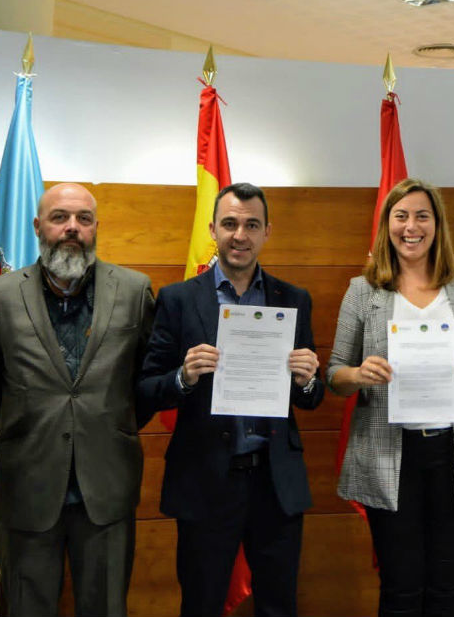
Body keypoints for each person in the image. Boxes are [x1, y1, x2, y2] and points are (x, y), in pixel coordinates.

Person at [138, 182, 323, 617]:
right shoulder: (178, 299)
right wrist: (182, 377)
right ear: (213, 230)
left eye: (251, 225)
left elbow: (311, 399)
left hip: (274, 483)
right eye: (230, 224)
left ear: (266, 232)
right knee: (201, 604)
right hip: (205, 480)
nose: (240, 234)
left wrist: (309, 380)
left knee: (279, 606)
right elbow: (146, 387)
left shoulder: (293, 300)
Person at [0, 182, 155, 616]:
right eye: (60, 218)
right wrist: (30, 423)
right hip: (27, 485)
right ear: (38, 226)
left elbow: (145, 383)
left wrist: (111, 423)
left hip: (108, 485)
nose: (72, 228)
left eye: (83, 219)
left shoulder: (135, 291)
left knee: (107, 607)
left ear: (96, 227)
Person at [326, 178, 454, 617]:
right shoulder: (362, 290)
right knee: (400, 589)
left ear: (437, 225)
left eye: (422, 215)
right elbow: (334, 374)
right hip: (389, 453)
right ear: (387, 225)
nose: (411, 226)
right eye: (400, 216)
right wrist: (359, 374)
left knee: (446, 589)